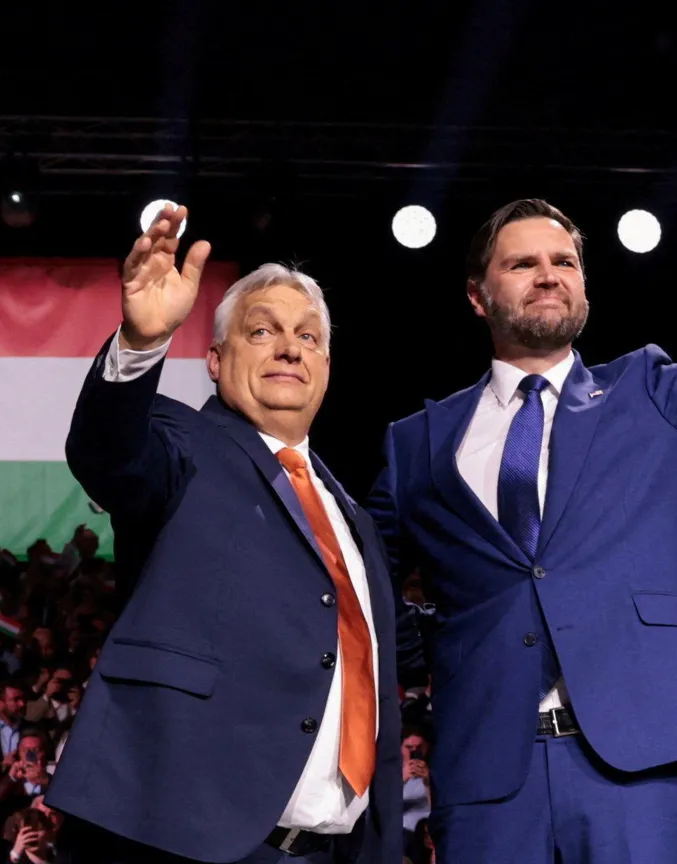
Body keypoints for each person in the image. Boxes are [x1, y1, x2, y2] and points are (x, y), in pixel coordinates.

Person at [366, 43, 677, 861]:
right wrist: (455, 641)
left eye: (564, 261)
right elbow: (363, 589)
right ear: (477, 294)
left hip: (629, 765)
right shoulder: (417, 441)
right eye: (523, 263)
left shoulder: (652, 396)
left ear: (586, 288)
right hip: (485, 773)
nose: (548, 274)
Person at [46, 206, 401, 864]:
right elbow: (109, 454)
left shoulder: (352, 517)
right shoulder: (182, 446)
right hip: (179, 840)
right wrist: (140, 342)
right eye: (262, 331)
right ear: (214, 359)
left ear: (326, 363)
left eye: (308, 336)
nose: (290, 347)